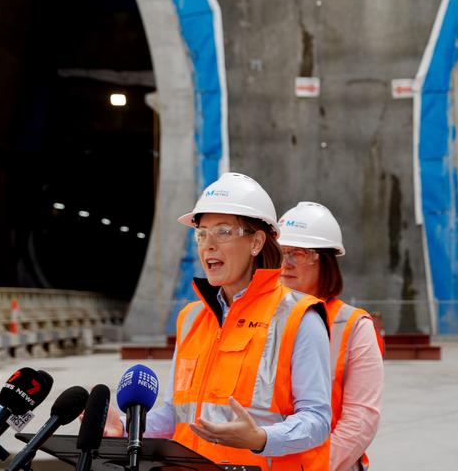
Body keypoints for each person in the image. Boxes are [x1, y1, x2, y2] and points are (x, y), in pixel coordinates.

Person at [109, 172, 332, 470]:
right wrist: (125, 427)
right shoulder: (190, 319)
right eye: (201, 233)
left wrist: (260, 438)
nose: (208, 245)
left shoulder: (299, 317)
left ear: (256, 243)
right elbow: (177, 414)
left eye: (224, 231)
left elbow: (317, 420)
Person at [278, 202, 384, 471]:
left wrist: (315, 467)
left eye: (298, 254)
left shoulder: (352, 325)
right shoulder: (261, 318)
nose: (285, 264)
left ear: (324, 260)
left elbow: (361, 418)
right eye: (280, 253)